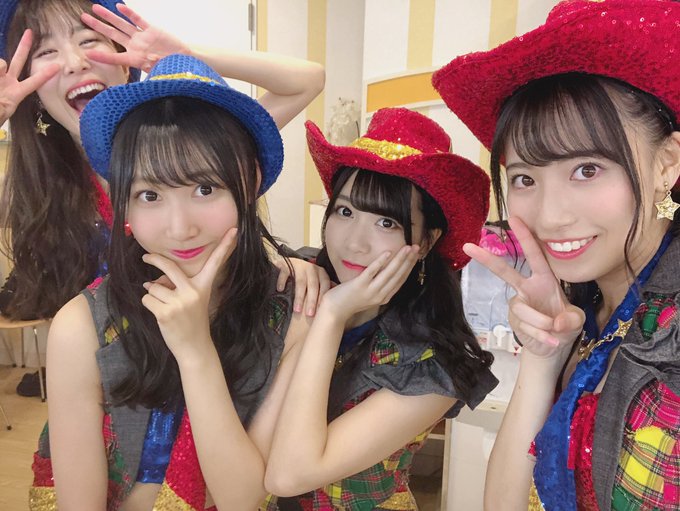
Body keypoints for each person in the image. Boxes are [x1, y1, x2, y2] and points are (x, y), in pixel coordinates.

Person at [30, 53, 315, 511]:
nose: (180, 228)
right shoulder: (83, 327)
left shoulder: (291, 314)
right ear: (123, 202)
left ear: (250, 182)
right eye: (149, 195)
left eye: (205, 189)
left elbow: (243, 499)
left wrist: (195, 350)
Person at [432, 1, 680, 510]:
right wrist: (543, 358)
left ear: (667, 164)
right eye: (525, 178)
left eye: (587, 170)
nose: (549, 216)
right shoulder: (587, 308)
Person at [0, 0, 326, 321]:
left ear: (125, 66)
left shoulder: (194, 145)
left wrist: (188, 55)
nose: (75, 62)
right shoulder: (36, 185)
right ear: (32, 89)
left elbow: (307, 80)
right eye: (46, 52)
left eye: (88, 40)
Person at [264, 107, 498, 509]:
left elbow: (289, 475)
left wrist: (332, 315)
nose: (354, 243)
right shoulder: (295, 280)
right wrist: (278, 259)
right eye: (345, 211)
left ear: (426, 241)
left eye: (386, 222)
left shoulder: (434, 364)